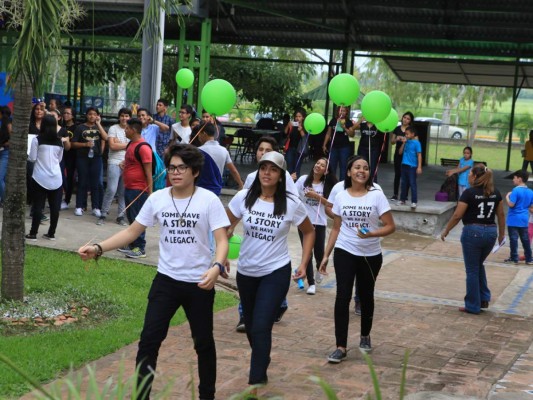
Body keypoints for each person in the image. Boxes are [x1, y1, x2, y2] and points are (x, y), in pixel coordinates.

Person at [78, 143, 230, 400]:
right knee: (149, 341)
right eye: (172, 167)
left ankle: (207, 395)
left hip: (200, 284)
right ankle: (141, 395)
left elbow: (222, 240)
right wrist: (99, 248)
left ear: (194, 171)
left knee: (203, 343)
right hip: (166, 282)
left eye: (182, 168)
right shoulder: (158, 198)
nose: (176, 172)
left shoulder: (209, 200)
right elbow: (131, 232)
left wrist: (216, 267)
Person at [226, 151, 315, 396]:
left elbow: (309, 232)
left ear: (280, 175)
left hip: (275, 271)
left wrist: (304, 264)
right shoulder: (244, 197)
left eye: (273, 169)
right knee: (254, 325)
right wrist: (220, 256)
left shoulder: (291, 202)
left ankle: (255, 382)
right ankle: (261, 358)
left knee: (262, 325)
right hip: (246, 271)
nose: (267, 173)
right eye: (264, 168)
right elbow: (224, 227)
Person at [320, 155, 395, 361]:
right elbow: (336, 227)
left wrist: (371, 234)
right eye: (357, 167)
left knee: (366, 294)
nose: (361, 170)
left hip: (371, 255)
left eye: (365, 168)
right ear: (349, 172)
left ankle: (365, 335)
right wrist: (326, 255)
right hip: (345, 250)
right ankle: (341, 346)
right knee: (342, 296)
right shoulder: (341, 196)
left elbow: (390, 226)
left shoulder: (376, 195)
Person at [234, 137, 298, 332]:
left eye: (267, 149)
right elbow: (241, 208)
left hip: (275, 264)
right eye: (260, 149)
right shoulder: (253, 178)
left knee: (262, 322)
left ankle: (274, 304)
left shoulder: (284, 182)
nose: (262, 153)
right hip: (248, 262)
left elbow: (295, 206)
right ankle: (247, 315)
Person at [441, 164, 505, 314]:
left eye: (470, 173)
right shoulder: (495, 192)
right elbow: (501, 215)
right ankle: (483, 298)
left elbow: (457, 215)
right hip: (490, 232)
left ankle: (472, 305)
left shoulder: (469, 193)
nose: (468, 176)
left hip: (473, 232)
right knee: (478, 264)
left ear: (475, 177)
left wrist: (446, 230)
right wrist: (502, 235)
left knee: (472, 270)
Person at [295, 157, 337, 294]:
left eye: (322, 165)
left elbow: (331, 205)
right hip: (304, 222)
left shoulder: (327, 185)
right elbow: (293, 196)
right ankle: (311, 283)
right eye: (317, 163)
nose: (318, 166)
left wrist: (316, 196)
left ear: (326, 171)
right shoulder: (303, 180)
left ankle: (320, 267)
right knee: (307, 252)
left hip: (319, 222)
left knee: (319, 253)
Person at [25, 115, 65, 241]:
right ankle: (51, 233)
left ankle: (33, 233)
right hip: (56, 178)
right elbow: (59, 159)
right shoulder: (59, 141)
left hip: (40, 178)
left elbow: (32, 158)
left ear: (42, 124)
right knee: (54, 208)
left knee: (38, 206)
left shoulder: (37, 140)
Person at [119, 118, 152, 259]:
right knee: (131, 217)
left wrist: (150, 193)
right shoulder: (131, 144)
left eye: (127, 129)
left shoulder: (143, 147)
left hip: (139, 190)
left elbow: (148, 172)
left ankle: (140, 248)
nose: (125, 131)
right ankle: (132, 244)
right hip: (129, 187)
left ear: (133, 130)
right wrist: (124, 163)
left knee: (139, 219)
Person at [96, 108, 131, 226]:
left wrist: (119, 144)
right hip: (114, 162)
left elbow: (133, 147)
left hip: (128, 163)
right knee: (111, 189)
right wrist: (126, 144)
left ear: (130, 117)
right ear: (119, 117)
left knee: (123, 191)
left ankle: (121, 216)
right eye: (122, 116)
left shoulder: (131, 130)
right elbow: (112, 146)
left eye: (127, 116)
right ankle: (103, 214)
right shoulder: (113, 128)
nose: (124, 118)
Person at [70, 107, 108, 217]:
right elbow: (73, 144)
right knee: (82, 182)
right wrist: (85, 145)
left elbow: (105, 138)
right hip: (82, 158)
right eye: (90, 114)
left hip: (96, 158)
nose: (92, 116)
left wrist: (99, 124)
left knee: (95, 183)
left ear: (98, 116)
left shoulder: (98, 127)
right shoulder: (80, 128)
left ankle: (96, 207)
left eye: (94, 114)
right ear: (86, 115)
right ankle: (79, 206)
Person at [198, 122, 244, 190]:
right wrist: (241, 184)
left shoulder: (199, 151)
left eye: (199, 134)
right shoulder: (224, 150)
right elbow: (233, 170)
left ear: (204, 133)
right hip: (216, 188)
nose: (198, 137)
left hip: (201, 188)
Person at [504, 170, 533, 264]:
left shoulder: (516, 190)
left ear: (519, 179)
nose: (513, 180)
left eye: (514, 178)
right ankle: (529, 258)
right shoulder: (530, 191)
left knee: (513, 239)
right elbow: (531, 206)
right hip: (524, 219)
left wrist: (507, 196)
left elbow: (511, 204)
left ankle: (514, 258)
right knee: (525, 239)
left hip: (513, 219)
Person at [322, 106, 357, 181]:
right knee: (331, 166)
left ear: (346, 112)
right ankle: (331, 184)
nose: (342, 112)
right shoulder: (333, 120)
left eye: (344, 111)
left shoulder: (348, 121)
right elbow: (328, 133)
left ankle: (342, 184)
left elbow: (352, 134)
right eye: (341, 111)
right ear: (338, 111)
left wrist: (344, 128)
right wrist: (324, 144)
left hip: (344, 147)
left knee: (343, 167)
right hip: (333, 147)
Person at [390, 111, 414, 200]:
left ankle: (405, 195)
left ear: (410, 121)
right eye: (404, 117)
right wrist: (397, 139)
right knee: (397, 174)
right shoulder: (397, 128)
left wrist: (406, 139)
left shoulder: (411, 130)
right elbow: (392, 142)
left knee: (406, 174)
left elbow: (415, 142)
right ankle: (395, 194)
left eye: (408, 119)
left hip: (408, 154)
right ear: (402, 118)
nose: (405, 120)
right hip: (398, 154)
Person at [398, 126, 422, 209]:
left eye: (407, 134)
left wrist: (419, 167)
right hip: (404, 165)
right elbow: (400, 152)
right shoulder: (406, 142)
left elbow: (419, 155)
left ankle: (414, 201)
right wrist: (403, 143)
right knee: (403, 183)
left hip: (412, 166)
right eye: (405, 134)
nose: (406, 135)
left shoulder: (416, 143)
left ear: (412, 134)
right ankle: (402, 199)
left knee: (412, 183)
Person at [61, 106, 77, 209]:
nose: (65, 115)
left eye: (68, 113)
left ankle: (67, 199)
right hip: (59, 154)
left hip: (72, 155)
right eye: (64, 113)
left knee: (70, 178)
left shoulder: (76, 128)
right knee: (61, 176)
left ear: (73, 116)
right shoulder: (60, 126)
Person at [284, 108, 308, 178]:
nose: (297, 118)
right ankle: (289, 184)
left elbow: (305, 138)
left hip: (299, 150)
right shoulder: (292, 125)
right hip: (290, 148)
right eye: (296, 116)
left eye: (299, 116)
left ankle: (295, 185)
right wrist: (288, 126)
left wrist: (301, 130)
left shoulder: (305, 125)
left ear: (303, 117)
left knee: (296, 169)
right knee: (289, 168)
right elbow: (285, 133)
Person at [0, 106, 12, 206]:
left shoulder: (7, 123)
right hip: (2, 151)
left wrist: (3, 144)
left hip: (5, 152)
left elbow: (13, 140)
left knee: (0, 177)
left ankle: (5, 200)